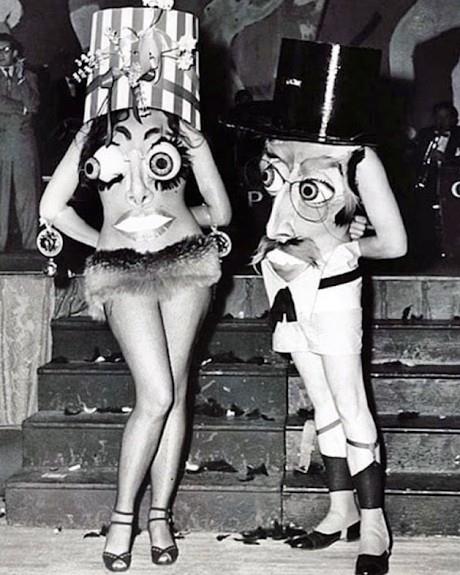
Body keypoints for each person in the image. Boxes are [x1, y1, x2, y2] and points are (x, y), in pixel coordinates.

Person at [39, 3, 231, 571]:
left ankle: (160, 514)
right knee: (157, 394)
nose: (144, 64)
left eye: (155, 54)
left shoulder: (180, 127)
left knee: (176, 388)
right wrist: (105, 238)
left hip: (187, 264)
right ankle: (124, 514)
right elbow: (52, 208)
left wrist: (197, 154)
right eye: (132, 54)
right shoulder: (93, 131)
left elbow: (220, 211)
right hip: (120, 270)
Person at [224, 40, 407, 575]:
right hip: (284, 288)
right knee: (320, 403)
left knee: (350, 403)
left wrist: (339, 246)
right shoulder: (276, 146)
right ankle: (339, 510)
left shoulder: (357, 158)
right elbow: (275, 215)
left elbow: (394, 243)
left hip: (333, 292)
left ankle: (374, 526)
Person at [0, 21, 40, 251]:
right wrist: (20, 108)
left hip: (24, 145)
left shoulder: (29, 76)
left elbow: (33, 105)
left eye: (5, 50)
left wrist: (22, 78)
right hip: (2, 143)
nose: (1, 55)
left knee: (27, 196)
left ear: (15, 53)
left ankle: (31, 246)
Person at [409, 102, 460, 263]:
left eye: (445, 117)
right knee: (424, 215)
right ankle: (429, 250)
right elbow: (414, 157)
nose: (441, 121)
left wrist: (446, 159)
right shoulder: (425, 134)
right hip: (428, 181)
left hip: (452, 183)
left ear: (454, 119)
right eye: (438, 117)